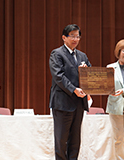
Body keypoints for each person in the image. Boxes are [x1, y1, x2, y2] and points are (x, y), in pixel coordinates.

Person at [49, 24, 91, 160]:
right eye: (72, 36)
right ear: (64, 38)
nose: (75, 39)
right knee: (61, 140)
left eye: (77, 36)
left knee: (75, 140)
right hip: (62, 103)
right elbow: (59, 76)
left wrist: (85, 70)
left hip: (78, 103)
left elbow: (90, 75)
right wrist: (74, 89)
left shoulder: (82, 56)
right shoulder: (57, 54)